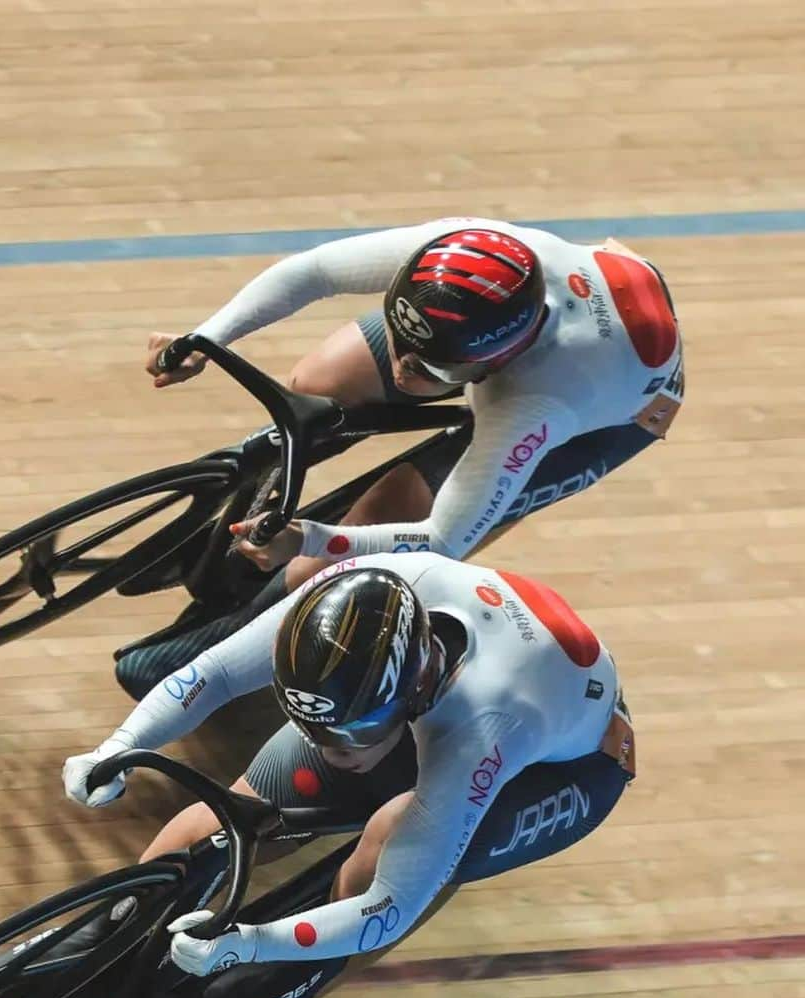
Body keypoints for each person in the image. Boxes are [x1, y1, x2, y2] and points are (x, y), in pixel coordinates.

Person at [116, 216, 683, 697]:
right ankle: (247, 511)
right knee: (316, 381)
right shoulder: (460, 249)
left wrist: (313, 540)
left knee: (376, 524)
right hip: (505, 323)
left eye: (428, 371)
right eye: (397, 340)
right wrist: (204, 339)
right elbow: (311, 271)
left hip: (611, 409)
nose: (402, 370)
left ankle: (204, 652)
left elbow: (440, 540)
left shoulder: (538, 403)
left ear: (492, 366)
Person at [62, 554, 636, 981]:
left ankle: (307, 970)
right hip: (437, 702)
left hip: (566, 765)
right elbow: (213, 673)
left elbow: (388, 908)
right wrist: (117, 746)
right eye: (317, 728)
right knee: (230, 817)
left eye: (351, 734)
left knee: (390, 835)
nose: (334, 749)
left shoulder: (488, 728)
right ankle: (116, 921)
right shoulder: (344, 603)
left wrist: (255, 943)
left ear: (408, 693)